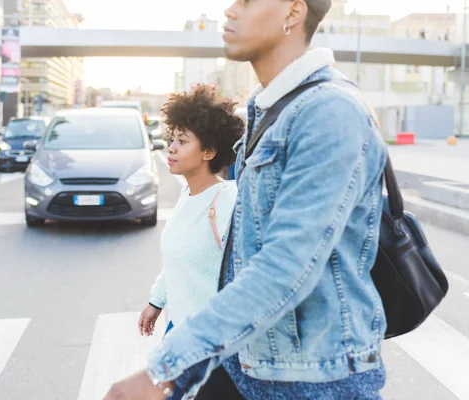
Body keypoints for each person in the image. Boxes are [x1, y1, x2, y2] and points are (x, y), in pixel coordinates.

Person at [104, 0, 388, 398]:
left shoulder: (329, 112)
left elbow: (285, 267)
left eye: (248, 1)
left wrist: (166, 368)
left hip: (316, 381)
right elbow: (240, 267)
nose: (230, 11)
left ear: (293, 12)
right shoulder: (269, 111)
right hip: (253, 366)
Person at [137, 85, 244, 400]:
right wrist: (157, 301)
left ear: (209, 152)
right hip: (180, 332)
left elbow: (247, 275)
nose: (171, 148)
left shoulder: (226, 200)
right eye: (173, 139)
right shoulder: (188, 195)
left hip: (214, 347)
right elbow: (180, 257)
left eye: (183, 142)